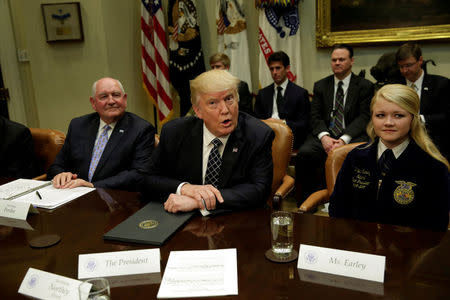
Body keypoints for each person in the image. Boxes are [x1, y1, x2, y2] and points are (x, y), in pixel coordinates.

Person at [140, 69, 274, 215]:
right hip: (183, 220)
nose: (224, 110)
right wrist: (184, 188)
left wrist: (200, 201)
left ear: (238, 99)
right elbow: (146, 179)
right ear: (198, 111)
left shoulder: (258, 134)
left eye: (229, 99)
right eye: (213, 103)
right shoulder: (175, 132)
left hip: (235, 219)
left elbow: (259, 190)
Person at [329, 84, 449, 232]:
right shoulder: (356, 157)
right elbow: (338, 207)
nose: (388, 122)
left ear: (413, 118)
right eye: (380, 115)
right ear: (372, 117)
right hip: (358, 245)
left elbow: (436, 224)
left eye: (398, 115)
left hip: (409, 250)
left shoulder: (433, 166)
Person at [295, 44, 374, 205]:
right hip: (325, 134)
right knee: (305, 153)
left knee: (363, 153)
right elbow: (315, 115)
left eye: (341, 59)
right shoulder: (321, 85)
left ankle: (353, 203)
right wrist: (324, 137)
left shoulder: (365, 86)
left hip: (352, 135)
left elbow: (365, 116)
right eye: (334, 60)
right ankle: (306, 204)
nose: (337, 63)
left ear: (351, 61)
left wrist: (344, 139)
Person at [47, 77, 155, 191]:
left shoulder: (141, 129)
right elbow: (56, 166)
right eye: (104, 97)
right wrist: (61, 175)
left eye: (116, 95)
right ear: (93, 103)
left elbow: (139, 174)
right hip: (74, 194)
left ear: (125, 99)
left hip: (116, 197)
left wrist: (93, 186)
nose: (111, 101)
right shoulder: (78, 125)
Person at [396, 42, 450, 159]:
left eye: (408, 65)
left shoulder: (441, 84)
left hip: (434, 140)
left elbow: (446, 116)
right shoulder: (395, 85)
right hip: (401, 141)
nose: (404, 71)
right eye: (401, 66)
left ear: (420, 60)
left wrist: (419, 120)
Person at [254, 51, 310, 149]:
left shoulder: (300, 93)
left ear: (287, 68)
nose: (274, 72)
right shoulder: (262, 94)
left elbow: (304, 124)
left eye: (278, 68)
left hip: (290, 138)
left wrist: (282, 123)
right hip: (266, 138)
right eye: (272, 69)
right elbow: (256, 121)